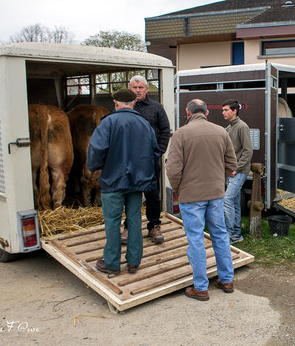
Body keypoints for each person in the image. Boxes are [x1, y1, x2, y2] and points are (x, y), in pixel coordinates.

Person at [166, 99, 237, 301]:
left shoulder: (181, 134)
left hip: (191, 195)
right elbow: (232, 163)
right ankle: (226, 280)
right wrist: (217, 179)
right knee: (220, 234)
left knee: (196, 239)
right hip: (215, 193)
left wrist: (179, 188)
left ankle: (200, 287)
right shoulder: (221, 132)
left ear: (188, 113)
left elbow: (173, 169)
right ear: (206, 113)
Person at [87, 88, 161, 275]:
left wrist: (93, 167)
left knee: (112, 221)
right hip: (137, 183)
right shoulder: (144, 124)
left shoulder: (108, 123)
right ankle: (134, 262)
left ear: (115, 102)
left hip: (112, 181)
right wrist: (149, 178)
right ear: (134, 103)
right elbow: (154, 153)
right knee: (134, 219)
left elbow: (97, 150)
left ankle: (111, 263)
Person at [122, 75, 171, 244]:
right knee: (130, 194)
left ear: (146, 89)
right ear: (130, 89)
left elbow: (165, 130)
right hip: (129, 162)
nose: (137, 91)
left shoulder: (156, 108)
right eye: (134, 88)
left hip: (150, 160)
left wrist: (159, 152)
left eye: (140, 87)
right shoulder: (124, 108)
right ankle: (129, 227)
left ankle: (154, 226)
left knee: (152, 195)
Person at [222, 100, 253, 244]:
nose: (223, 112)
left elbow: (248, 151)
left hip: (240, 171)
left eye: (226, 110)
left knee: (227, 200)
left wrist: (236, 168)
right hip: (231, 171)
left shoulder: (242, 127)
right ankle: (236, 235)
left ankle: (230, 233)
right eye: (223, 110)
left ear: (235, 111)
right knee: (234, 202)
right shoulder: (228, 128)